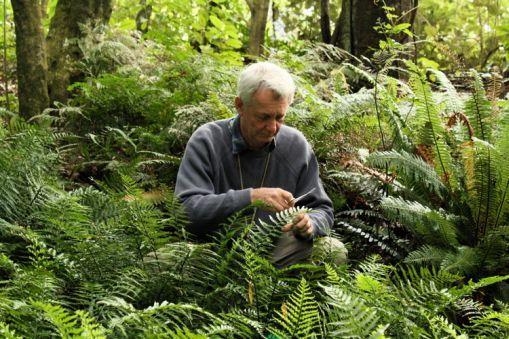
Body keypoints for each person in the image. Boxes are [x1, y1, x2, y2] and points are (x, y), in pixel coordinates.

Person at [175, 61, 344, 267]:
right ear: (240, 106)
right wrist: (250, 197)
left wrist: (311, 224)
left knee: (331, 250)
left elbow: (322, 209)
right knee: (160, 261)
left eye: (279, 117)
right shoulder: (207, 140)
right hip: (213, 255)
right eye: (263, 117)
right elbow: (186, 211)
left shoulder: (296, 146)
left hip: (275, 253)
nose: (272, 127)